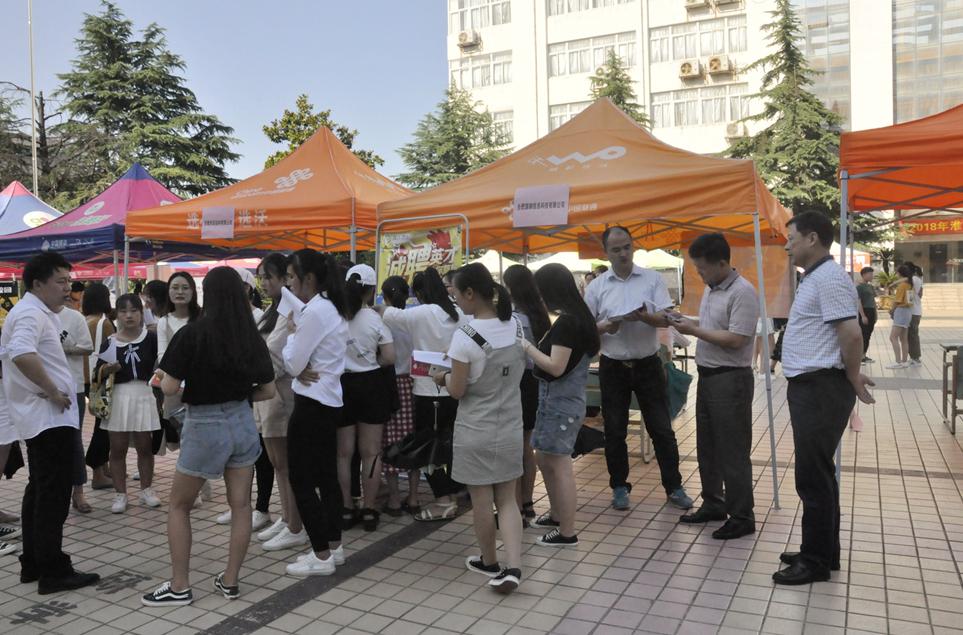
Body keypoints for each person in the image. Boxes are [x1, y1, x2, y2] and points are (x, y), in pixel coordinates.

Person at [143, 267, 275, 606]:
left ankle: (179, 586)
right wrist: (239, 397)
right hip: (242, 422)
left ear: (208, 295)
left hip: (204, 425)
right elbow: (268, 390)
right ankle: (230, 581)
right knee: (241, 505)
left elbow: (169, 387)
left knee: (179, 505)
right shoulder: (251, 337)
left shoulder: (192, 334)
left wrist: (166, 379)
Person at [776, 211, 874, 585]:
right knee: (819, 474)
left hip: (820, 387)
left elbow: (852, 334)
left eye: (791, 238)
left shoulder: (829, 278)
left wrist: (851, 375)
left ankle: (814, 561)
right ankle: (823, 551)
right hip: (813, 386)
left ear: (812, 238)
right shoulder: (817, 277)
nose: (787, 246)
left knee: (812, 477)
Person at [1, 251, 100, 593]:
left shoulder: (35, 312)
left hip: (44, 418)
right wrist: (53, 390)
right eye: (61, 281)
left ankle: (34, 562)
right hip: (47, 419)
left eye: (69, 281)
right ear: (37, 284)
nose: (67, 288)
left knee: (40, 490)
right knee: (53, 495)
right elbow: (21, 353)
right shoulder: (31, 313)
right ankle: (53, 570)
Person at [583, 226, 693, 511]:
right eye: (616, 249)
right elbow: (586, 329)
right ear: (606, 253)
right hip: (613, 366)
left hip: (648, 363)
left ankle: (674, 487)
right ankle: (619, 487)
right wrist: (608, 325)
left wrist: (645, 317)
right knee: (615, 430)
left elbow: (666, 318)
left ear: (633, 246)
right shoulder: (596, 287)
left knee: (661, 429)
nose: (623, 254)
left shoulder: (651, 278)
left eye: (627, 247)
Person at [435, 262, 525, 594]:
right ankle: (513, 566)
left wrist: (442, 376)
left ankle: (489, 562)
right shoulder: (515, 325)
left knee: (482, 500)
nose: (456, 301)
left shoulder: (465, 336)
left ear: (470, 293)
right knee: (508, 500)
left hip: (475, 430)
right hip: (510, 427)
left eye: (456, 294)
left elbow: (458, 390)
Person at [668, 234, 758, 540]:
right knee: (707, 447)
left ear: (722, 263)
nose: (699, 274)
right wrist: (684, 321)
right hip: (708, 376)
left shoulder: (743, 292)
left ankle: (742, 516)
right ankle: (714, 503)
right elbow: (712, 328)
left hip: (731, 379)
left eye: (702, 268)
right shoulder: (712, 288)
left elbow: (737, 339)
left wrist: (694, 330)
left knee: (733, 451)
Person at [377, 267, 467, 521]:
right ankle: (453, 491)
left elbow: (384, 311)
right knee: (452, 444)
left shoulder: (420, 313)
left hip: (428, 392)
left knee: (428, 448)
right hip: (456, 388)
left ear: (418, 293)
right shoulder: (460, 313)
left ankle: (443, 500)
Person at [279, 249, 349, 576]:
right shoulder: (331, 306)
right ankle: (333, 547)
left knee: (302, 479)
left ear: (308, 278)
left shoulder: (315, 311)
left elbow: (293, 364)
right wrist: (300, 362)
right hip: (327, 400)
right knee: (326, 478)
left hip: (311, 402)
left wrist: (293, 336)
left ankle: (321, 555)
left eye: (292, 276)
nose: (289, 283)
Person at [520, 263, 599, 547]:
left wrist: (526, 347)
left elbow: (555, 366)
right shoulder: (580, 317)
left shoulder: (568, 322)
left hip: (560, 403)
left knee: (559, 463)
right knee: (545, 458)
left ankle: (567, 531)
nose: (540, 297)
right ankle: (556, 516)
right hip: (560, 401)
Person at [336, 264, 395, 533]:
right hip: (371, 384)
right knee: (371, 452)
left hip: (341, 385)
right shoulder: (374, 319)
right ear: (371, 291)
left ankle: (346, 508)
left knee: (343, 453)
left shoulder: (336, 316)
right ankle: (370, 510)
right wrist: (373, 362)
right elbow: (390, 357)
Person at [217, 268, 275, 533]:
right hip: (234, 397)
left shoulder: (260, 317)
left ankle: (261, 508)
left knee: (260, 455)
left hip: (257, 394)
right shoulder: (220, 319)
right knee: (236, 456)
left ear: (249, 289)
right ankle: (239, 505)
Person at [95, 294, 161, 513]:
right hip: (119, 396)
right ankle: (120, 494)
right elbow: (97, 373)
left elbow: (162, 364)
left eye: (134, 311)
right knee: (117, 448)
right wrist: (107, 369)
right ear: (117, 315)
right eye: (123, 311)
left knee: (145, 446)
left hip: (144, 393)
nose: (129, 315)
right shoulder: (110, 342)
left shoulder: (151, 338)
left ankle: (146, 490)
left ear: (141, 313)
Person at [250, 254, 300, 547]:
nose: (264, 282)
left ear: (285, 278)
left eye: (269, 277)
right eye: (261, 277)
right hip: (267, 394)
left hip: (281, 395)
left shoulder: (289, 311)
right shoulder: (272, 310)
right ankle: (287, 517)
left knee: (285, 464)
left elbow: (276, 356)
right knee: (277, 464)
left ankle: (295, 525)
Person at [502, 264, 551, 526]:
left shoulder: (512, 318)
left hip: (516, 382)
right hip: (535, 382)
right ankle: (528, 502)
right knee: (526, 447)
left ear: (510, 287)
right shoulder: (539, 314)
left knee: (515, 448)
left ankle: (516, 506)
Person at [156, 272, 209, 506]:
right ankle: (195, 486)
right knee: (183, 439)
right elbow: (162, 355)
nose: (180, 292)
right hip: (174, 388)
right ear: (168, 292)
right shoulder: (164, 322)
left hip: (201, 388)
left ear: (193, 291)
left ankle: (200, 484)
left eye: (185, 287)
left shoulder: (203, 318)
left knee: (200, 437)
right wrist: (177, 377)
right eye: (175, 287)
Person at [379, 276, 421, 517]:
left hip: (389, 386)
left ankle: (394, 499)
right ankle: (414, 497)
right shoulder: (413, 321)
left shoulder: (382, 322)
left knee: (389, 442)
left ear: (384, 296)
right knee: (413, 442)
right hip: (413, 384)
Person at [57, 301, 94, 513]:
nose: (64, 288)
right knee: (48, 442)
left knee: (74, 439)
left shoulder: (75, 317)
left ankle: (78, 491)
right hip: (42, 388)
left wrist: (66, 349)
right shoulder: (34, 316)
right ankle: (54, 490)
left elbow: (88, 347)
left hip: (74, 387)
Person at [82, 283, 114, 489]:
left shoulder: (84, 320)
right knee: (103, 426)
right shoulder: (104, 323)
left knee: (101, 423)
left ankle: (103, 467)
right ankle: (97, 471)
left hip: (86, 379)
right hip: (101, 379)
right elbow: (111, 353)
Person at [886, 264, 915, 370]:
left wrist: (891, 310)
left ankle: (898, 361)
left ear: (900, 273)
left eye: (897, 273)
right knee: (903, 338)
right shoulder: (910, 284)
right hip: (908, 311)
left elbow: (897, 300)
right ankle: (904, 361)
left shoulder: (902, 285)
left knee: (893, 337)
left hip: (901, 311)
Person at [856, 267, 877, 364]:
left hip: (871, 311)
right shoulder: (859, 287)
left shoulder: (870, 286)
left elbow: (873, 301)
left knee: (868, 334)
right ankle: (860, 356)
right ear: (864, 274)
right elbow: (858, 302)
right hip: (865, 311)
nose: (872, 276)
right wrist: (863, 315)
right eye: (870, 274)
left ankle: (864, 355)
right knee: (863, 334)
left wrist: (875, 314)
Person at [905, 261, 924, 367]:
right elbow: (920, 294)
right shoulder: (917, 279)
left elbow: (910, 298)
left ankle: (915, 357)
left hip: (913, 311)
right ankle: (914, 357)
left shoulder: (912, 279)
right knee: (911, 335)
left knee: (912, 335)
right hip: (916, 310)